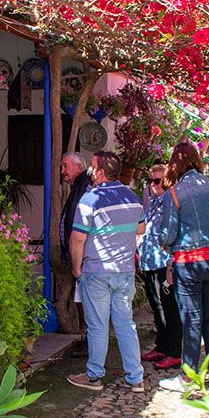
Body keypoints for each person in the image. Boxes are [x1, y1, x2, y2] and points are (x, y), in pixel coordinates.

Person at [66, 151, 146, 393]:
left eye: (92, 166)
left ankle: (93, 377)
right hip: (124, 271)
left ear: (100, 172)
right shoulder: (132, 197)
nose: (89, 171)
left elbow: (77, 239)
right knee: (125, 323)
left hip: (96, 271)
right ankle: (135, 378)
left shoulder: (90, 200)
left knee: (98, 326)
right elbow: (140, 230)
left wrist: (76, 268)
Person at [157, 142, 209, 392]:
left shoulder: (175, 193)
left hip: (190, 262)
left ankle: (188, 377)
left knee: (192, 319)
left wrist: (166, 245)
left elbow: (166, 235)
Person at [137, 163, 182, 369]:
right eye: (151, 181)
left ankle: (173, 351)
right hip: (149, 262)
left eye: (158, 180)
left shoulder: (169, 202)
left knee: (168, 309)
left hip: (163, 263)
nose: (153, 184)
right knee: (157, 307)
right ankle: (161, 346)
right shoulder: (153, 202)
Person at [59, 152, 92, 352]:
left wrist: (77, 259)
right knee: (81, 300)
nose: (62, 171)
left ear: (78, 167)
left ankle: (89, 342)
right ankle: (87, 339)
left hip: (85, 257)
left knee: (86, 302)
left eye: (65, 166)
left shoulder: (85, 186)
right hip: (79, 255)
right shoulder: (78, 186)